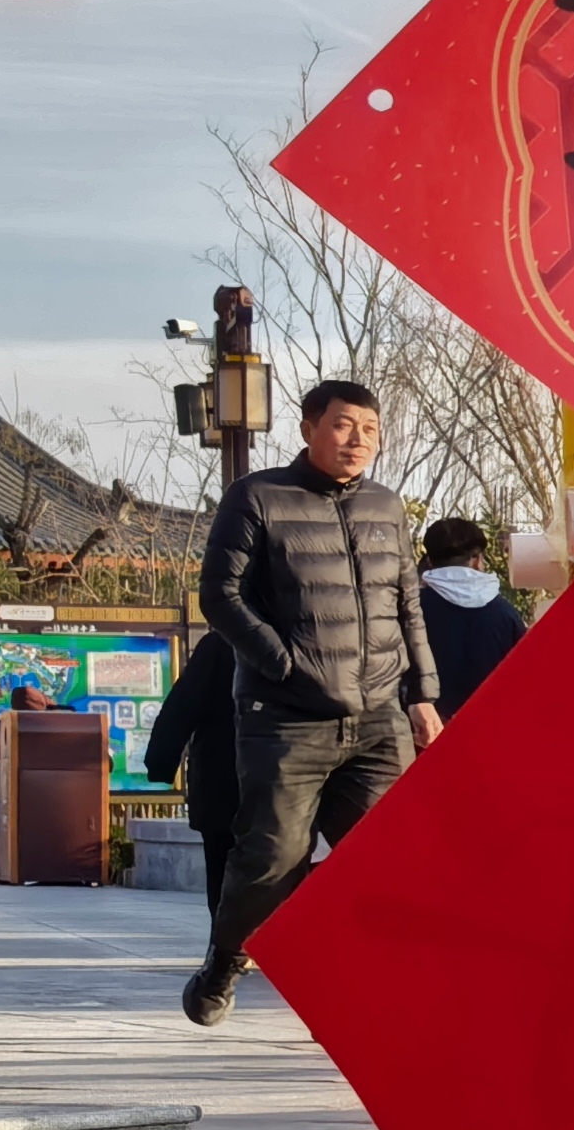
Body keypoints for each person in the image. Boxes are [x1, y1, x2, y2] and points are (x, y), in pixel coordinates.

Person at [182, 380, 438, 1023]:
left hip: (379, 715)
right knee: (271, 857)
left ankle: (374, 981)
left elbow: (407, 604)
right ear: (308, 428)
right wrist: (283, 664)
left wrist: (423, 693)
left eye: (370, 431)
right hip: (285, 718)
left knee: (394, 855)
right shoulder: (257, 497)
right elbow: (220, 595)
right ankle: (224, 961)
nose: (358, 442)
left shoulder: (387, 507)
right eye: (344, 426)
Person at [143, 625, 244, 890]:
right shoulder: (301, 635)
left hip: (223, 782)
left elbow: (182, 706)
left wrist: (160, 763)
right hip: (281, 784)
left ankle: (228, 930)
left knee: (222, 876)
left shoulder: (223, 642)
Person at [414, 517, 526, 716]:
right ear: (476, 560)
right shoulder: (504, 613)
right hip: (491, 729)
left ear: (430, 561)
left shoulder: (411, 609)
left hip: (426, 732)